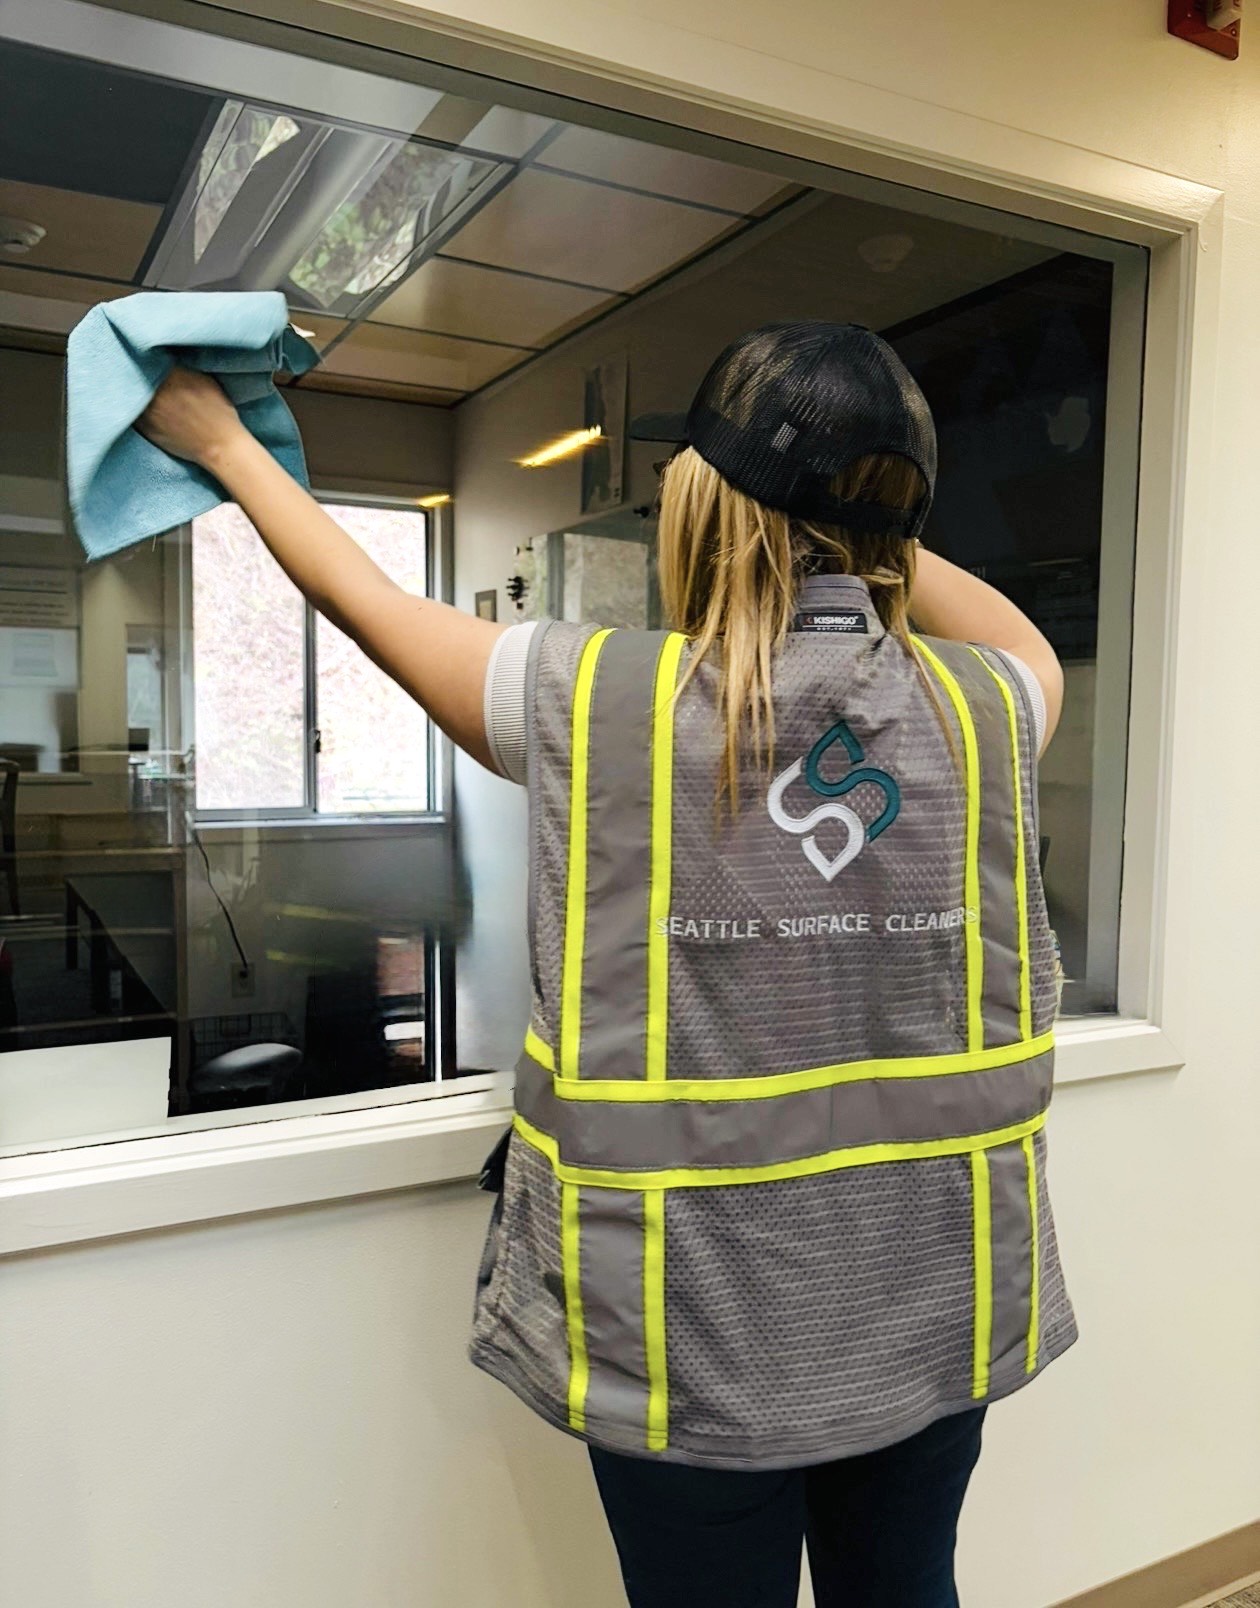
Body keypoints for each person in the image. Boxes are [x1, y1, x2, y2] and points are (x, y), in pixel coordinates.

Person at [140, 320, 1074, 1608]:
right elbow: (1017, 631)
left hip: (692, 1338)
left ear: (702, 506)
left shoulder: (598, 699)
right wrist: (862, 517)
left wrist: (227, 444)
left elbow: (366, 603)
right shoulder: (991, 708)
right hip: (927, 1314)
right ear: (895, 531)